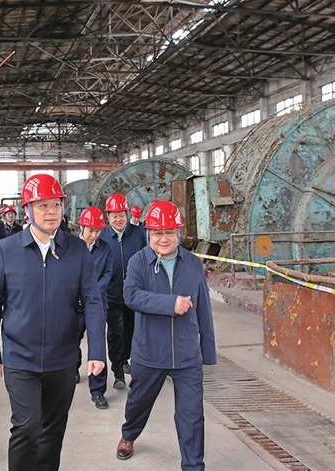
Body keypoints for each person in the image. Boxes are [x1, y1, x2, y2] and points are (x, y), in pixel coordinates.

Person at [0, 174, 106, 471]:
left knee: (53, 429)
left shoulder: (76, 250)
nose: (51, 211)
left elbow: (92, 302)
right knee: (26, 427)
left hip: (62, 358)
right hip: (19, 357)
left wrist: (97, 352)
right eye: (42, 205)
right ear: (27, 210)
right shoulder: (6, 250)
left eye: (56, 205)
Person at [116, 200, 216, 470]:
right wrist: (170, 304)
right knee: (139, 402)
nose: (164, 238)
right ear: (148, 233)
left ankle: (193, 465)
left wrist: (208, 350)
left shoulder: (193, 264)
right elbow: (131, 296)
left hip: (186, 354)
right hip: (149, 352)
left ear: (178, 233)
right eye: (158, 233)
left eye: (169, 232)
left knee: (192, 415)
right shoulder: (138, 262)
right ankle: (129, 434)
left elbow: (204, 309)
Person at [99, 193, 146, 389]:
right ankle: (118, 372)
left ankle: (126, 359)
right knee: (115, 333)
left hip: (134, 295)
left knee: (132, 332)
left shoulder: (139, 234)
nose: (118, 219)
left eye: (121, 215)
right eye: (114, 215)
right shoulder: (102, 236)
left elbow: (147, 259)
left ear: (127, 214)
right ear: (108, 216)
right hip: (112, 295)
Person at [76, 206, 113, 409]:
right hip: (74, 306)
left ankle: (98, 391)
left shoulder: (105, 248)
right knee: (70, 341)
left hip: (97, 304)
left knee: (98, 346)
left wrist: (90, 295)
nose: (94, 235)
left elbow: (107, 275)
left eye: (98, 231)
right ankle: (73, 368)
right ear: (81, 227)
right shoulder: (70, 247)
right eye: (90, 230)